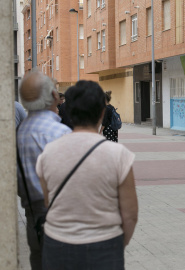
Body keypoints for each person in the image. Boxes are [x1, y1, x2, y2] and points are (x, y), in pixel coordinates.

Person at [36, 81, 138, 269]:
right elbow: (130, 214)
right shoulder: (119, 155)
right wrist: (116, 245)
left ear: (68, 111)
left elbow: (48, 202)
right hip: (105, 246)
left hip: (57, 245)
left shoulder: (47, 153)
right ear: (101, 112)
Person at [17, 70, 72, 270]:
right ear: (53, 97)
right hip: (61, 217)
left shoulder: (19, 132)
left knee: (38, 262)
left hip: (33, 216)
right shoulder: (60, 133)